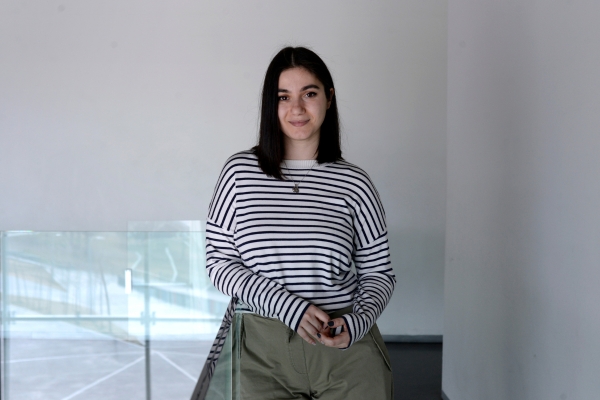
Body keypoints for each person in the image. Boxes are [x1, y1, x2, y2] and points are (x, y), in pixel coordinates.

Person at [204, 46, 396, 399]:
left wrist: (357, 323)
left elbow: (378, 274)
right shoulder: (239, 174)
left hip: (344, 346)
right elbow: (219, 263)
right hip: (258, 349)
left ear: (329, 98)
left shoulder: (355, 182)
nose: (297, 108)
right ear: (271, 104)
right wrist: (287, 306)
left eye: (309, 94)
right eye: (283, 97)